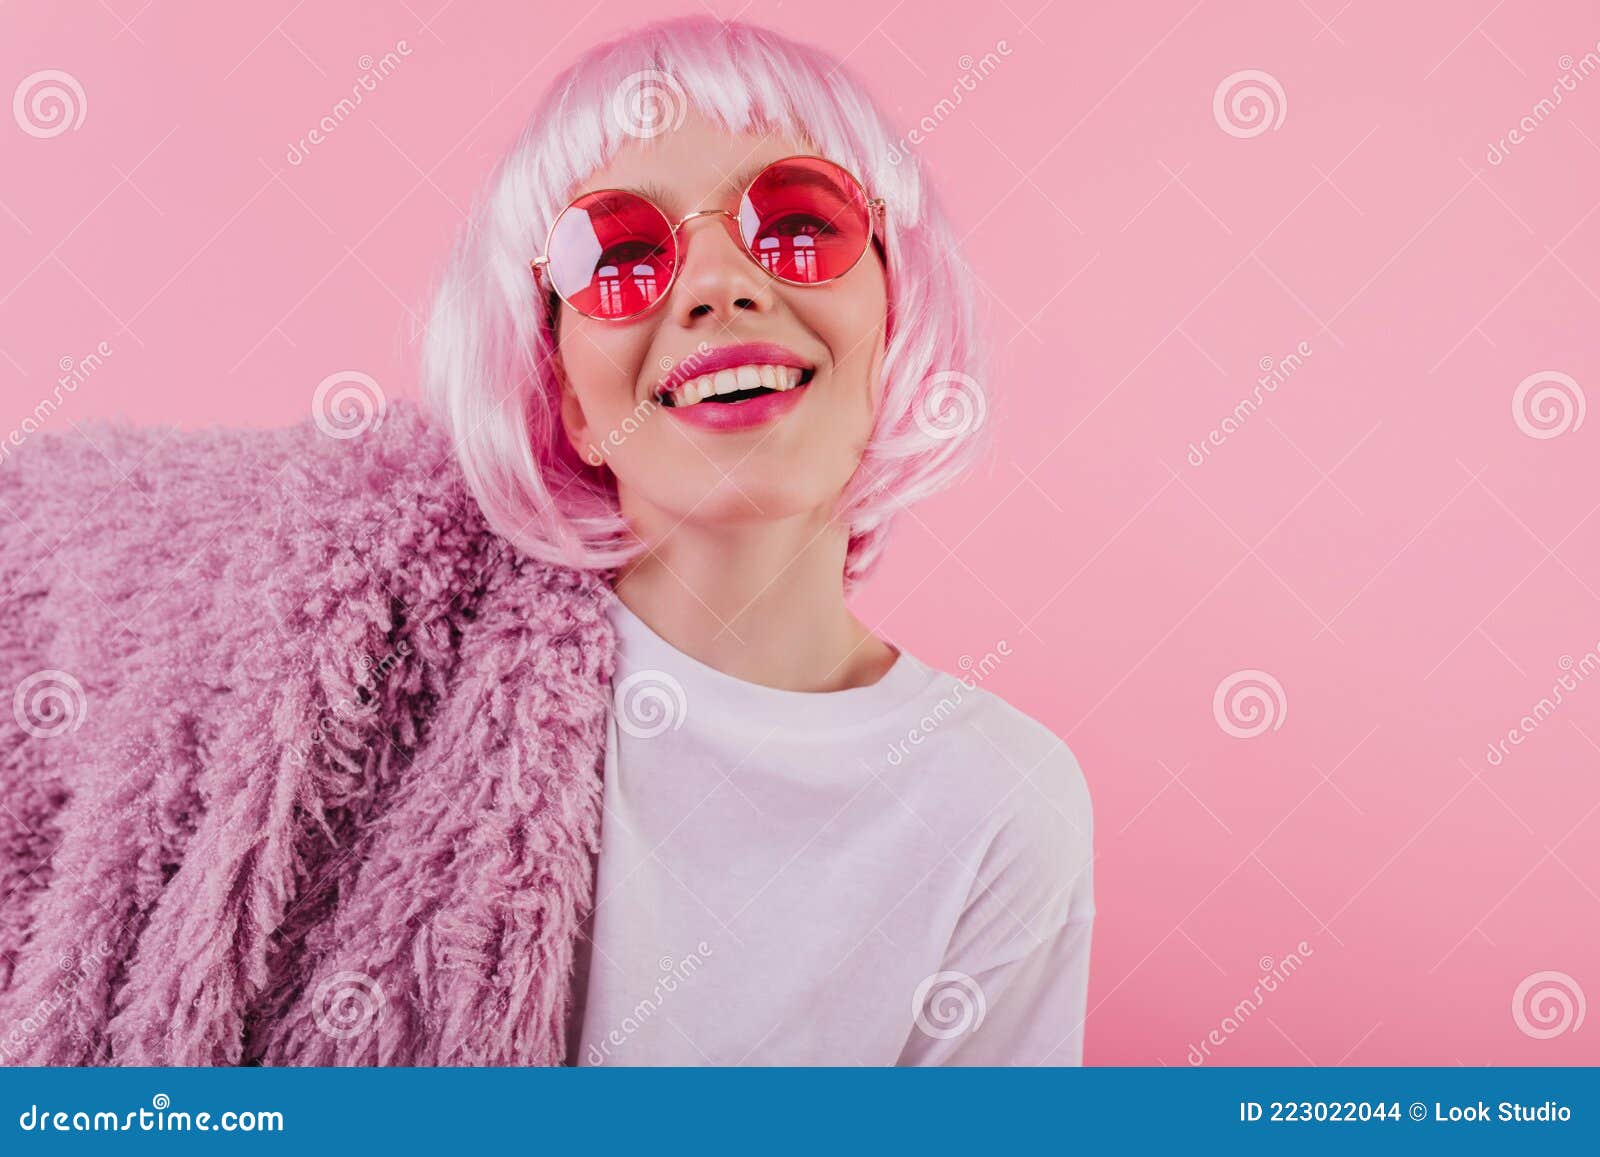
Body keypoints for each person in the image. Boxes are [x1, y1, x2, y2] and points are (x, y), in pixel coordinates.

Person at [0, 15, 1092, 1067]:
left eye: (802, 225)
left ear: (898, 314)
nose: (718, 285)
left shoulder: (997, 799)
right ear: (562, 387)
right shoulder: (377, 668)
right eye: (618, 254)